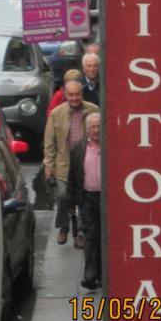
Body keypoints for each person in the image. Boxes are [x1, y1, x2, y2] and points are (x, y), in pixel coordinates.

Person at [43, 80, 98, 248]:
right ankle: (64, 226)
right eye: (71, 95)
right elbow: (49, 141)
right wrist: (48, 165)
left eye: (77, 94)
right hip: (63, 165)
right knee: (63, 196)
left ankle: (80, 232)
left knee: (82, 198)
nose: (74, 98)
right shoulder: (56, 114)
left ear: (82, 94)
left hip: (85, 163)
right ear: (65, 95)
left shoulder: (93, 110)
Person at [68, 111, 102, 290]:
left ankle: (103, 274)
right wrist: (72, 202)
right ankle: (90, 275)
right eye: (93, 127)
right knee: (91, 235)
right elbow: (73, 175)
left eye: (99, 126)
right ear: (87, 129)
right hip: (87, 198)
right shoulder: (78, 148)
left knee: (104, 236)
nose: (96, 130)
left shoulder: (111, 146)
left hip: (106, 200)